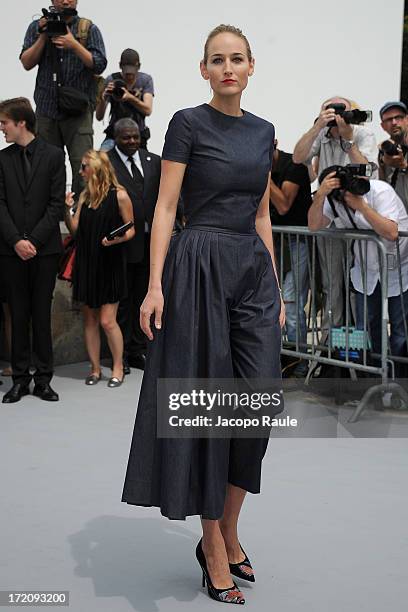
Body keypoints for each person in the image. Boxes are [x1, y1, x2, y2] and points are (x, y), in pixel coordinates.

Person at [122, 24, 284, 605]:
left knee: (259, 402)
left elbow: (262, 214)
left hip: (251, 270)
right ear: (203, 69)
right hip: (199, 268)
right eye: (217, 60)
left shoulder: (264, 131)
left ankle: (230, 524)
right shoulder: (187, 123)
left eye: (236, 59)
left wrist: (277, 286)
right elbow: (165, 208)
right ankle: (213, 541)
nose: (228, 68)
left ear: (251, 65)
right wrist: (153, 287)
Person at [308, 169, 408, 374]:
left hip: (398, 270)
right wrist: (319, 196)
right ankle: (375, 378)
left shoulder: (380, 192)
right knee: (368, 330)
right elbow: (313, 225)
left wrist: (361, 206)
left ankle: (401, 381)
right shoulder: (333, 200)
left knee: (400, 331)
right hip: (365, 273)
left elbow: (391, 232)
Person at [293, 96, 378, 335]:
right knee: (332, 283)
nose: (336, 114)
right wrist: (318, 126)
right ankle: (331, 342)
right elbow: (299, 158)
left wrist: (348, 140)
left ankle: (361, 340)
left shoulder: (363, 134)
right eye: (329, 110)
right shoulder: (321, 134)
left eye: (341, 110)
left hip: (358, 215)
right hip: (329, 214)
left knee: (359, 283)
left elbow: (369, 172)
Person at [0, 97, 65, 403]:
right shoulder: (2, 159)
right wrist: (16, 240)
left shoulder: (54, 156)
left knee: (41, 315)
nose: (2, 128)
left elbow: (55, 206)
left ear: (20, 122)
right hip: (10, 251)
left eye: (4, 123)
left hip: (45, 251)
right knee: (18, 312)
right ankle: (19, 378)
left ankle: (43, 380)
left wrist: (33, 242)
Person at [20, 0, 107, 197]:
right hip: (46, 110)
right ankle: (52, 214)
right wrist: (43, 35)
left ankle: (81, 216)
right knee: (46, 167)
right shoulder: (37, 27)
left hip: (78, 111)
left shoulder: (87, 28)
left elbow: (99, 64)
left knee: (83, 164)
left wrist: (73, 44)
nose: (65, 1)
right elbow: (26, 62)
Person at [64, 150, 135, 387]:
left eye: (84, 166)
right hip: (86, 263)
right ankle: (94, 369)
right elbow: (75, 230)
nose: (81, 171)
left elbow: (131, 229)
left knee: (107, 321)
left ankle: (118, 367)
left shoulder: (120, 195)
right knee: (90, 320)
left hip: (110, 263)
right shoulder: (85, 196)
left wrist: (115, 240)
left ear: (97, 168)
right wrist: (68, 209)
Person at [108, 118, 161, 372]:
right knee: (124, 299)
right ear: (115, 137)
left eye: (135, 137)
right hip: (122, 243)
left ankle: (138, 349)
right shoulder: (106, 162)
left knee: (143, 296)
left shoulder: (153, 160)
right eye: (125, 137)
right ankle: (122, 352)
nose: (131, 141)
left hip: (151, 243)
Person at [270, 140, 312, 377]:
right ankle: (282, 359)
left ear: (274, 144)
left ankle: (299, 363)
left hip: (297, 242)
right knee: (273, 302)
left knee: (292, 303)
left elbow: (283, 204)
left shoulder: (293, 165)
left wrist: (261, 175)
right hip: (273, 242)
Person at [96, 48, 154, 151]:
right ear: (120, 66)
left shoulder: (145, 80)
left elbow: (148, 110)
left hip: (137, 136)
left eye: (132, 73)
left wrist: (130, 97)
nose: (129, 77)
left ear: (138, 67)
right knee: (101, 159)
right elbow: (99, 117)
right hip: (114, 135)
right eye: (126, 73)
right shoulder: (112, 80)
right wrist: (103, 97)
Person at [379, 101, 408, 214]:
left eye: (398, 117)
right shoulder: (383, 150)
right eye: (389, 120)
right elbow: (381, 186)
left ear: (407, 120)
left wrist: (404, 166)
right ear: (383, 126)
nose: (394, 122)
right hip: (397, 218)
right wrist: (382, 162)